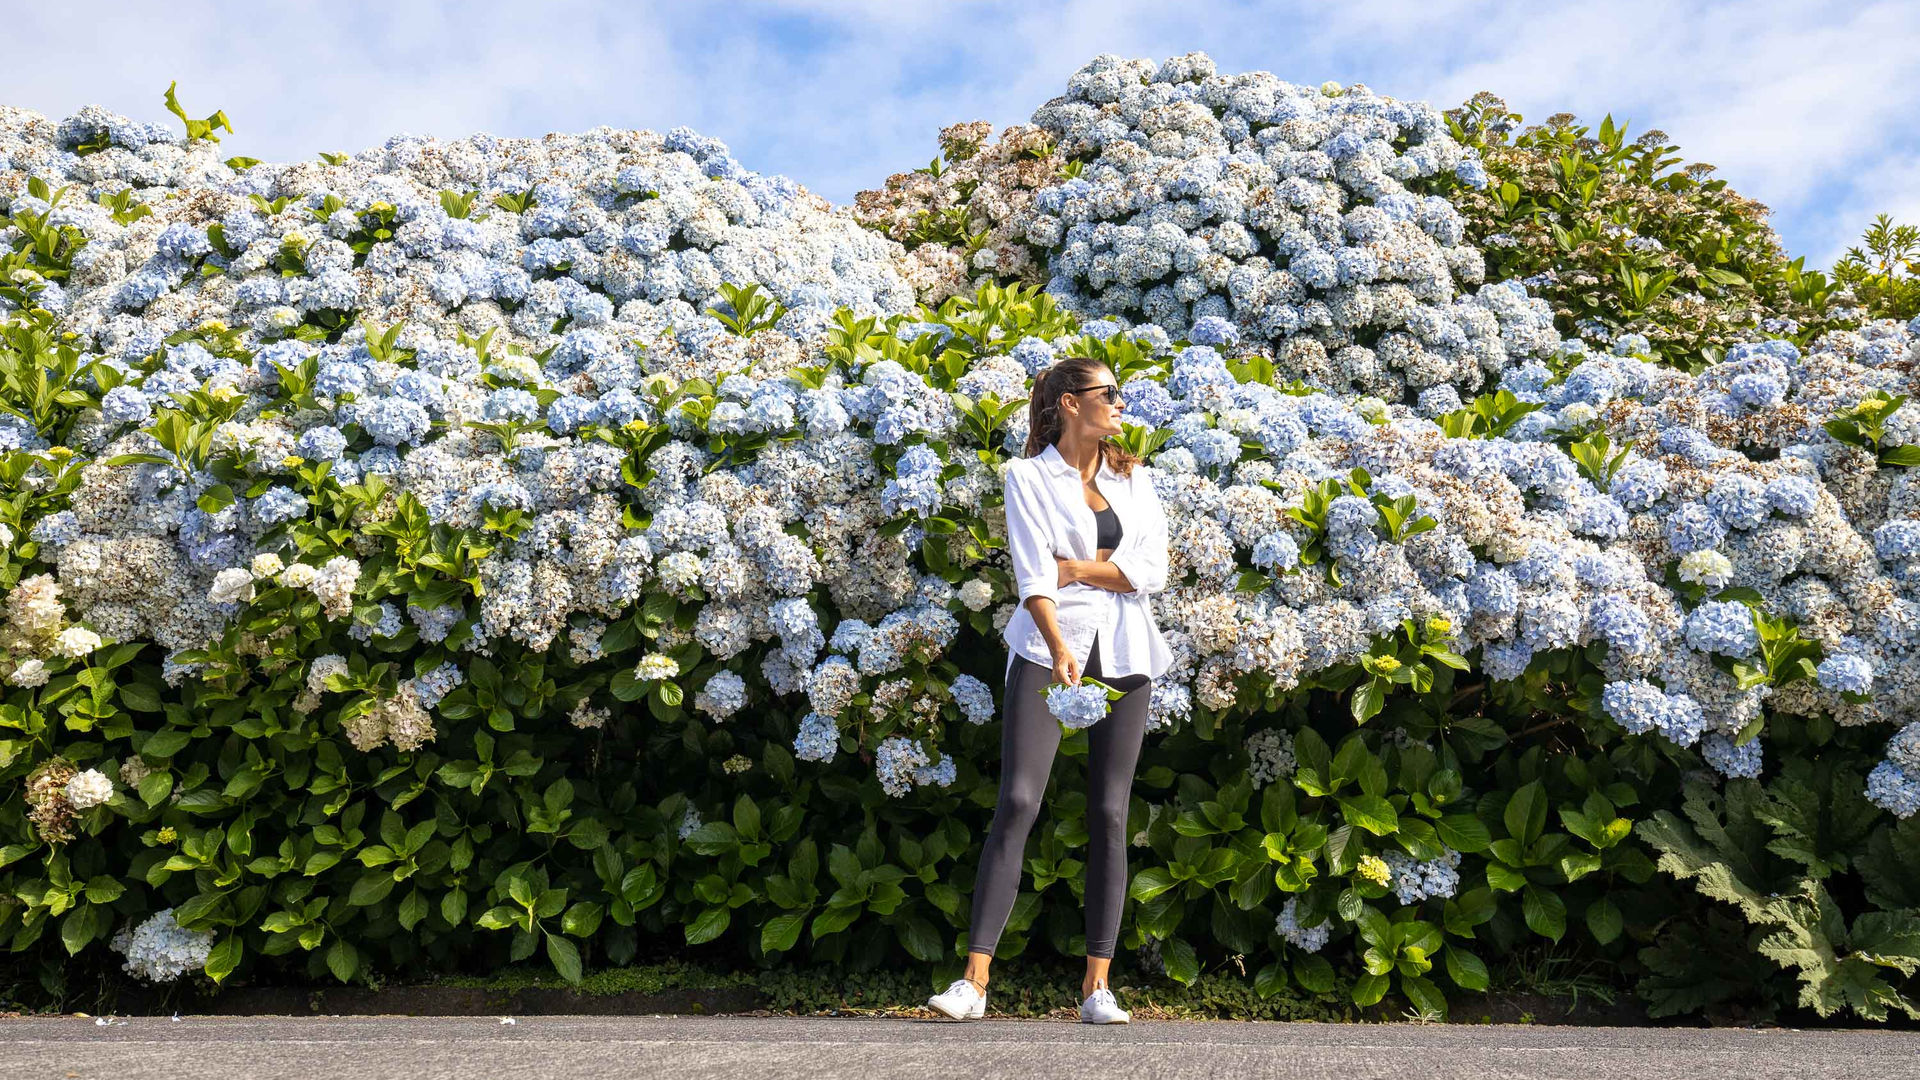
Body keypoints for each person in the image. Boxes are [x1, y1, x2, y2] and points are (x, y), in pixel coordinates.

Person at [927, 356, 1174, 1025]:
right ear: (1069, 403)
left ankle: (1097, 989)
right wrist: (1061, 643)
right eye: (1108, 392)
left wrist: (1080, 569)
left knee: (1110, 812)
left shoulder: (1135, 478)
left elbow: (1152, 570)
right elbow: (1036, 575)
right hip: (1048, 646)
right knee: (1017, 800)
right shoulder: (1027, 477)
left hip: (1126, 649)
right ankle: (974, 983)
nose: (1120, 403)